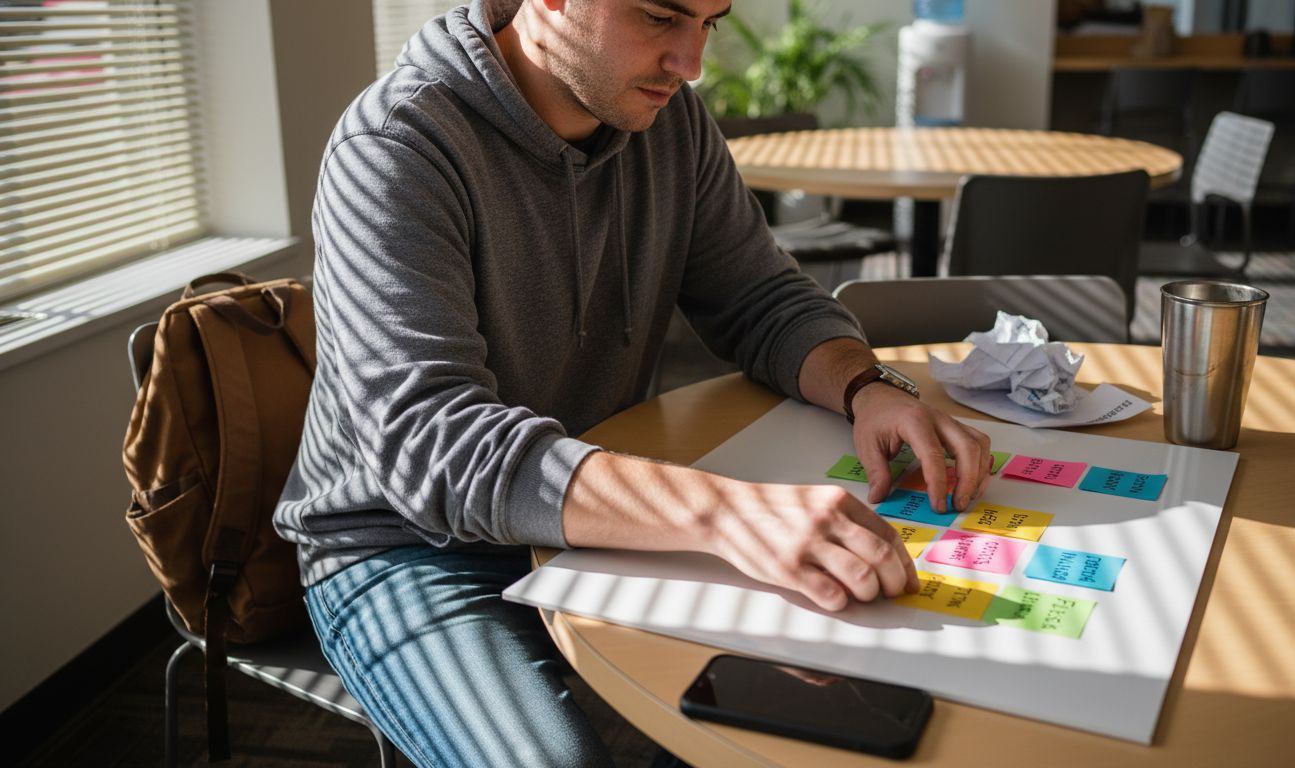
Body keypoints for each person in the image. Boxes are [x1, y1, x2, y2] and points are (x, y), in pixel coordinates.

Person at [275, 0, 992, 765]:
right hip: (408, 545)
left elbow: (759, 297)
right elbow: (437, 450)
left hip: (599, 509)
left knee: (787, 717)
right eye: (659, 17)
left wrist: (868, 387)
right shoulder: (394, 146)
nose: (692, 64)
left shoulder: (669, 121)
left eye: (709, 23)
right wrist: (728, 515)